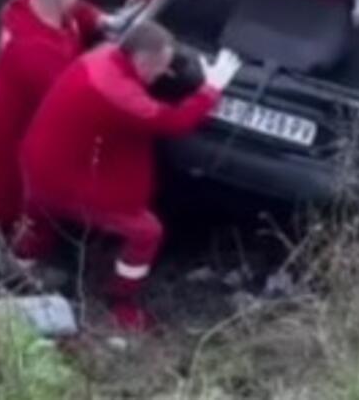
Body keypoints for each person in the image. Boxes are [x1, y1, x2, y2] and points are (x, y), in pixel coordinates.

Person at [15, 22, 242, 331]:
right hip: (62, 181)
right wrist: (210, 90)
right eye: (161, 67)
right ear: (143, 60)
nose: (164, 75)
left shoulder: (102, 56)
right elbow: (172, 122)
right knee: (146, 232)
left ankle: (22, 260)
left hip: (38, 159)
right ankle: (119, 299)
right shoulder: (120, 94)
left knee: (37, 211)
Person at [0, 0, 112, 235]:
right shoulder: (36, 50)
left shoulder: (33, 2)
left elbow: (78, 13)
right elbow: (69, 100)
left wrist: (102, 20)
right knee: (2, 176)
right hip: (13, 115)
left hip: (9, 97)